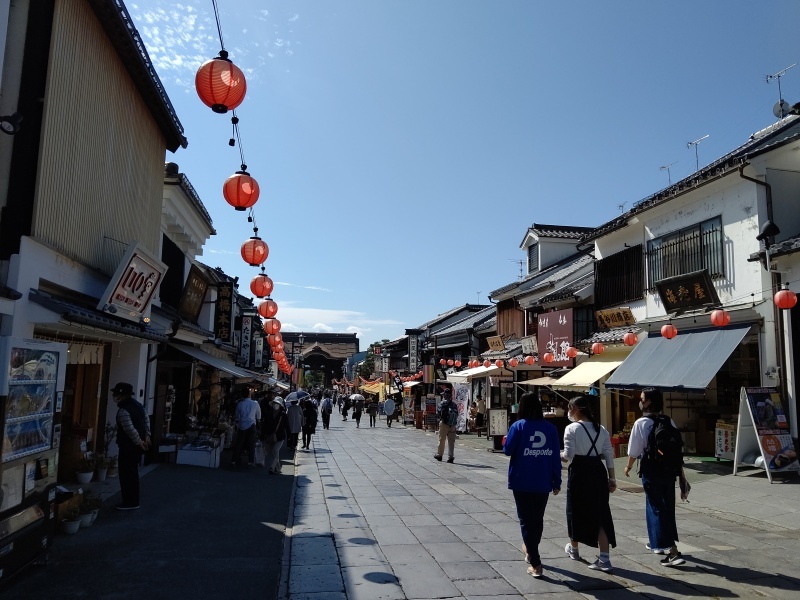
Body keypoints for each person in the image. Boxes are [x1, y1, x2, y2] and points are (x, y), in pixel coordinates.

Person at [624, 388, 686, 567]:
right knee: (666, 506)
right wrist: (681, 475)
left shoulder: (641, 423)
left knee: (656, 507)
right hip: (669, 470)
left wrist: (628, 466)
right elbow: (677, 449)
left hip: (651, 469)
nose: (640, 400)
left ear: (649, 402)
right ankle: (657, 542)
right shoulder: (669, 420)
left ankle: (672, 551)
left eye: (642, 398)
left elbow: (634, 451)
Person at [503, 391, 561, 578]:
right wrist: (557, 480)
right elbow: (555, 457)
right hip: (543, 480)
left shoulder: (518, 426)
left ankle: (535, 563)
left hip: (522, 480)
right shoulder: (551, 429)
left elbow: (508, 450)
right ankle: (530, 549)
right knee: (537, 519)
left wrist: (506, 440)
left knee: (526, 521)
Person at [561, 396, 617, 572]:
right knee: (601, 513)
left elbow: (568, 456)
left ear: (576, 408)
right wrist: (612, 479)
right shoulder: (601, 429)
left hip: (579, 471)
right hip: (597, 471)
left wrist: (556, 454)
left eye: (569, 407)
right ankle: (605, 558)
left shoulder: (571, 429)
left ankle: (574, 549)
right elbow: (609, 454)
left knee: (575, 509)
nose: (568, 411)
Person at [112, 382, 150, 510]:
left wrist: (139, 442)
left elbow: (129, 430)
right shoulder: (138, 405)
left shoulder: (123, 410)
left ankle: (130, 502)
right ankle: (133, 501)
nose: (114, 396)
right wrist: (147, 437)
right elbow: (146, 419)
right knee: (133, 474)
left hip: (128, 447)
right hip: (137, 446)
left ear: (121, 395)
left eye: (116, 393)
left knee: (127, 475)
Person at [231, 389, 261, 467]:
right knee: (251, 444)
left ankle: (234, 460)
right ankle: (250, 461)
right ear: (249, 394)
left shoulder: (240, 404)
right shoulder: (255, 403)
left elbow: (237, 416)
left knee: (239, 443)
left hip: (242, 425)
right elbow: (259, 415)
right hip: (252, 425)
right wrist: (258, 420)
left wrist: (238, 421)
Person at [262, 397, 290, 474]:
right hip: (270, 435)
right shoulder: (269, 413)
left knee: (275, 450)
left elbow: (287, 425)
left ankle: (272, 468)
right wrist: (263, 435)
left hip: (280, 436)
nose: (275, 405)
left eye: (277, 404)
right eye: (274, 403)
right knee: (273, 452)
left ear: (280, 405)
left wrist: (289, 436)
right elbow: (265, 425)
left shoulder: (283, 414)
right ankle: (278, 469)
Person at [434, 390, 458, 463]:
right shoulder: (454, 404)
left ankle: (440, 455)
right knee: (451, 441)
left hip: (444, 423)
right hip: (453, 424)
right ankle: (451, 457)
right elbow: (458, 414)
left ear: (444, 396)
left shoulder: (442, 403)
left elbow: (438, 414)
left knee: (442, 439)